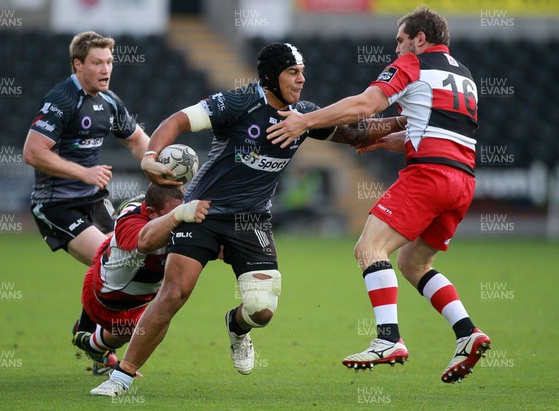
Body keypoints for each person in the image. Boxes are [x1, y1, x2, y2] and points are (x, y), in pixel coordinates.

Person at [90, 42, 407, 396]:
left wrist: (408, 118)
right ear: (272, 76)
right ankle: (122, 377)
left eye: (302, 71)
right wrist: (150, 156)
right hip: (203, 213)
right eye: (293, 72)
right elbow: (176, 121)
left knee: (261, 312)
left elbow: (355, 133)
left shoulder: (304, 116)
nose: (302, 78)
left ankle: (237, 326)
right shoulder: (239, 103)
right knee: (174, 293)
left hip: (252, 222)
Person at [267, 7, 491, 384]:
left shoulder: (411, 63)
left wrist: (305, 120)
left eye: (401, 40)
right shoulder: (464, 76)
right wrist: (388, 141)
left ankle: (388, 338)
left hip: (428, 177)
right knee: (413, 264)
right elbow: (440, 134)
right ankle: (467, 332)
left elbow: (364, 105)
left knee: (369, 249)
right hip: (462, 182)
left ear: (420, 39)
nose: (398, 48)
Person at [23, 31, 150, 337]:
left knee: (130, 263)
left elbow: (135, 140)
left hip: (94, 200)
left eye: (109, 61)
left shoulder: (108, 100)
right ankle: (92, 335)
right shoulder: (62, 100)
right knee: (110, 260)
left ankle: (89, 333)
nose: (106, 69)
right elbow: (32, 152)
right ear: (78, 65)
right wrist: (84, 173)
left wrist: (161, 164)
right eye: (97, 62)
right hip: (56, 204)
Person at [72, 184, 210, 375]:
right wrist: (178, 215)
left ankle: (89, 338)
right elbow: (146, 242)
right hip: (108, 299)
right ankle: (93, 342)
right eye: (175, 213)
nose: (182, 217)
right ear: (152, 213)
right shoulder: (132, 219)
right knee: (145, 329)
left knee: (149, 323)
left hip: (132, 295)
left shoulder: (167, 209)